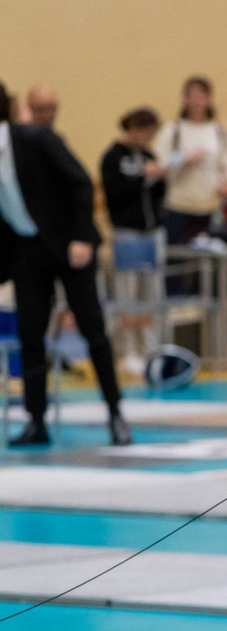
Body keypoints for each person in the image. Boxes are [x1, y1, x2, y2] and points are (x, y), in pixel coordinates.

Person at [0, 81, 131, 447]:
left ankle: (116, 413)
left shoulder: (36, 139)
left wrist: (81, 237)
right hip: (28, 248)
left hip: (70, 246)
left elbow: (81, 184)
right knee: (29, 334)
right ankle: (36, 420)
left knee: (93, 330)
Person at [100, 106, 167, 374]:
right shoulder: (113, 157)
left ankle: (150, 346)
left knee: (151, 293)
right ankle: (126, 349)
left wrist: (159, 178)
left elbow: (159, 193)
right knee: (127, 293)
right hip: (127, 234)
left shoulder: (150, 155)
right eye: (144, 132)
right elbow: (114, 193)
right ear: (132, 129)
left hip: (152, 233)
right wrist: (142, 177)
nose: (147, 138)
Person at [153, 76, 227, 245]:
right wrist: (184, 159)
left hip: (210, 205)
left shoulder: (220, 130)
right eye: (191, 96)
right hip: (179, 205)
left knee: (211, 255)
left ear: (209, 99)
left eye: (200, 96)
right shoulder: (173, 130)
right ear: (184, 99)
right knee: (178, 256)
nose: (196, 101)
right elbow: (159, 164)